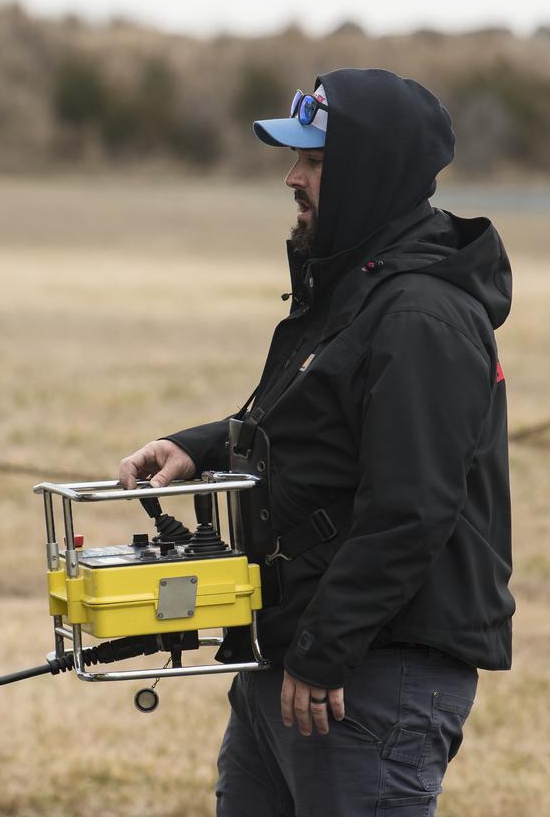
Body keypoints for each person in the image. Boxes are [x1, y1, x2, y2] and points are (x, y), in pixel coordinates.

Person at [117, 68, 514, 816]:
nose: (292, 178)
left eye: (315, 162)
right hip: (296, 660)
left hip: (364, 679)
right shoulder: (356, 289)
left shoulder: (420, 315)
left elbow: (412, 507)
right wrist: (199, 446)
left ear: (372, 175)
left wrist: (326, 650)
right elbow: (317, 419)